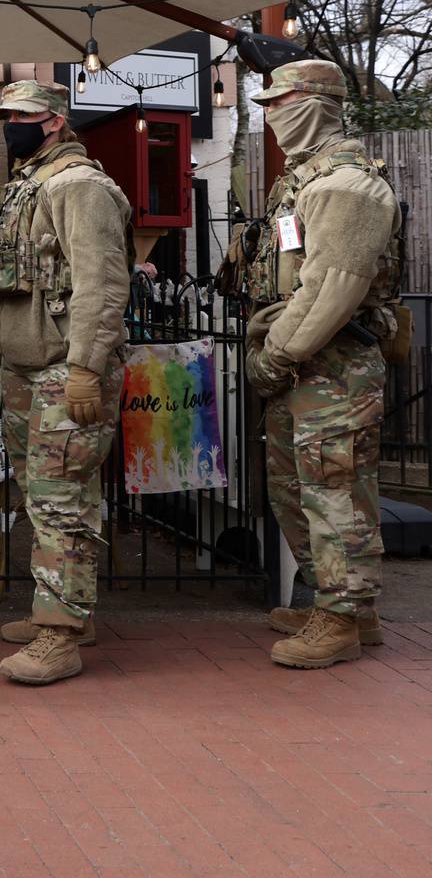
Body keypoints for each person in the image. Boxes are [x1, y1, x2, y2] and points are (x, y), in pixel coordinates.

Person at [230, 60, 402, 668]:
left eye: (281, 102)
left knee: (336, 491)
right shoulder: (305, 180)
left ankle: (342, 617)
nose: (270, 114)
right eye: (267, 104)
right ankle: (346, 606)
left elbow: (330, 289)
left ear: (316, 105)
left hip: (334, 369)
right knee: (293, 489)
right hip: (304, 367)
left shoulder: (347, 185)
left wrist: (276, 356)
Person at [0, 80, 131, 686]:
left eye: (21, 115)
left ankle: (59, 635)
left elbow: (103, 285)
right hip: (22, 366)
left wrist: (88, 366)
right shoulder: (21, 190)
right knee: (46, 496)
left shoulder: (78, 187)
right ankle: (69, 612)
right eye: (5, 115)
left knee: (60, 495)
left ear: (55, 121)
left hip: (66, 366)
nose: (10, 123)